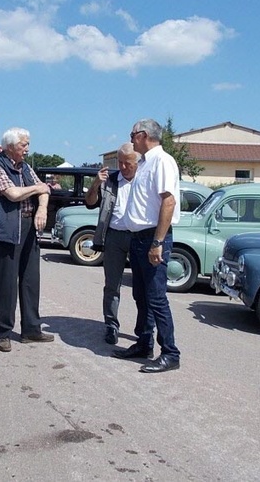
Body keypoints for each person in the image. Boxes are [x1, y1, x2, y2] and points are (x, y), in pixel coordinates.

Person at [114, 119, 181, 374]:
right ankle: (144, 343)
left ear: (143, 135)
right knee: (141, 295)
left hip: (152, 238)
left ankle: (170, 352)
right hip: (138, 239)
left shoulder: (162, 161)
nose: (130, 138)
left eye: (132, 134)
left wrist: (158, 242)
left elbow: (168, 202)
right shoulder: (144, 163)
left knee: (156, 298)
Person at [0, 127, 54, 352]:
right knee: (7, 284)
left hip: (28, 228)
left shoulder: (26, 167)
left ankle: (31, 329)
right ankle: (4, 332)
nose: (27, 149)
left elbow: (45, 191)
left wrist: (41, 209)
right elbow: (12, 194)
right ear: (10, 147)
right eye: (24, 145)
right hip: (6, 232)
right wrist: (37, 188)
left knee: (31, 280)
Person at [84, 143, 138, 345]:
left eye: (128, 163)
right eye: (120, 163)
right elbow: (89, 202)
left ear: (137, 162)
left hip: (138, 236)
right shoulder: (111, 180)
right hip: (114, 236)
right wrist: (96, 184)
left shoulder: (145, 180)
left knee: (141, 286)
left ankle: (144, 330)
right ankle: (111, 325)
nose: (123, 167)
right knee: (112, 285)